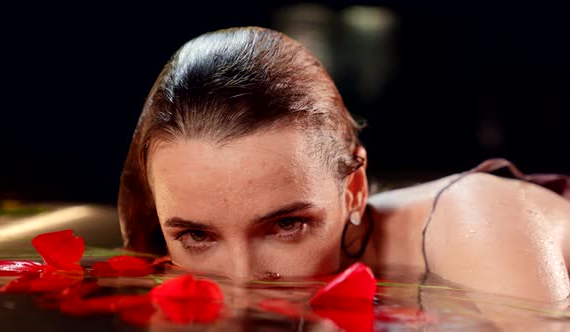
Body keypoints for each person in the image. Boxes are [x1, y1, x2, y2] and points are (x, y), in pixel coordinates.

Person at [118, 26, 570, 302]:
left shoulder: (476, 221)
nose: (242, 281)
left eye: (286, 224)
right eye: (196, 235)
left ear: (353, 190)